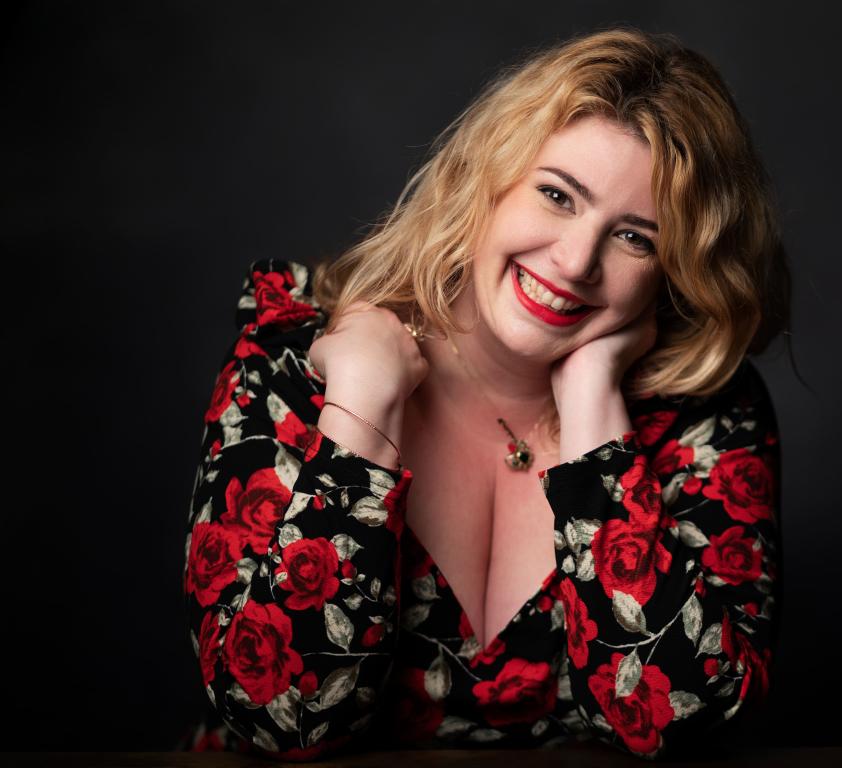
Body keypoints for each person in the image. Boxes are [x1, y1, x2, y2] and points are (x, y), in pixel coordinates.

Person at [182, 26, 790, 761]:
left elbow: (684, 726)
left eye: (636, 238)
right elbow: (279, 718)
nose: (576, 262)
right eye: (557, 195)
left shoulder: (704, 414)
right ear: (485, 179)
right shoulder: (296, 356)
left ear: (675, 270)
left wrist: (595, 410)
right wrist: (362, 408)